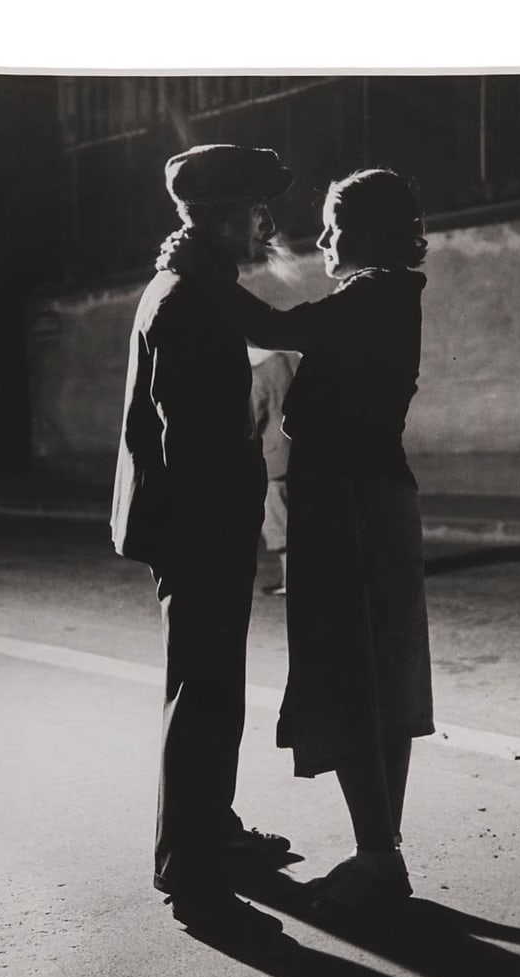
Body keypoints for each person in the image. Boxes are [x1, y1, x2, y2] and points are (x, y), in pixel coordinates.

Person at [158, 168, 435, 912]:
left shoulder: (369, 294)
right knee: (384, 674)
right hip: (383, 493)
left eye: (334, 228)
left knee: (348, 671)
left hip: (343, 501)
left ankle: (378, 858)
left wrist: (196, 268)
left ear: (368, 232)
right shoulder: (392, 294)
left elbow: (272, 328)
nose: (322, 242)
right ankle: (384, 849)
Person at [110, 144, 296, 939]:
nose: (267, 224)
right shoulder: (188, 297)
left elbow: (281, 326)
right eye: (256, 209)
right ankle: (190, 873)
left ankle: (208, 833)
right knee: (203, 693)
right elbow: (190, 436)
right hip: (199, 527)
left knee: (210, 690)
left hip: (201, 523)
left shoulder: (199, 283)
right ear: (223, 216)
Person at [249, 347, 296, 595]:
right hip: (291, 450)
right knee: (293, 517)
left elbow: (252, 419)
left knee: (278, 522)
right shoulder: (282, 364)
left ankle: (291, 580)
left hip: (271, 458)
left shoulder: (257, 376)